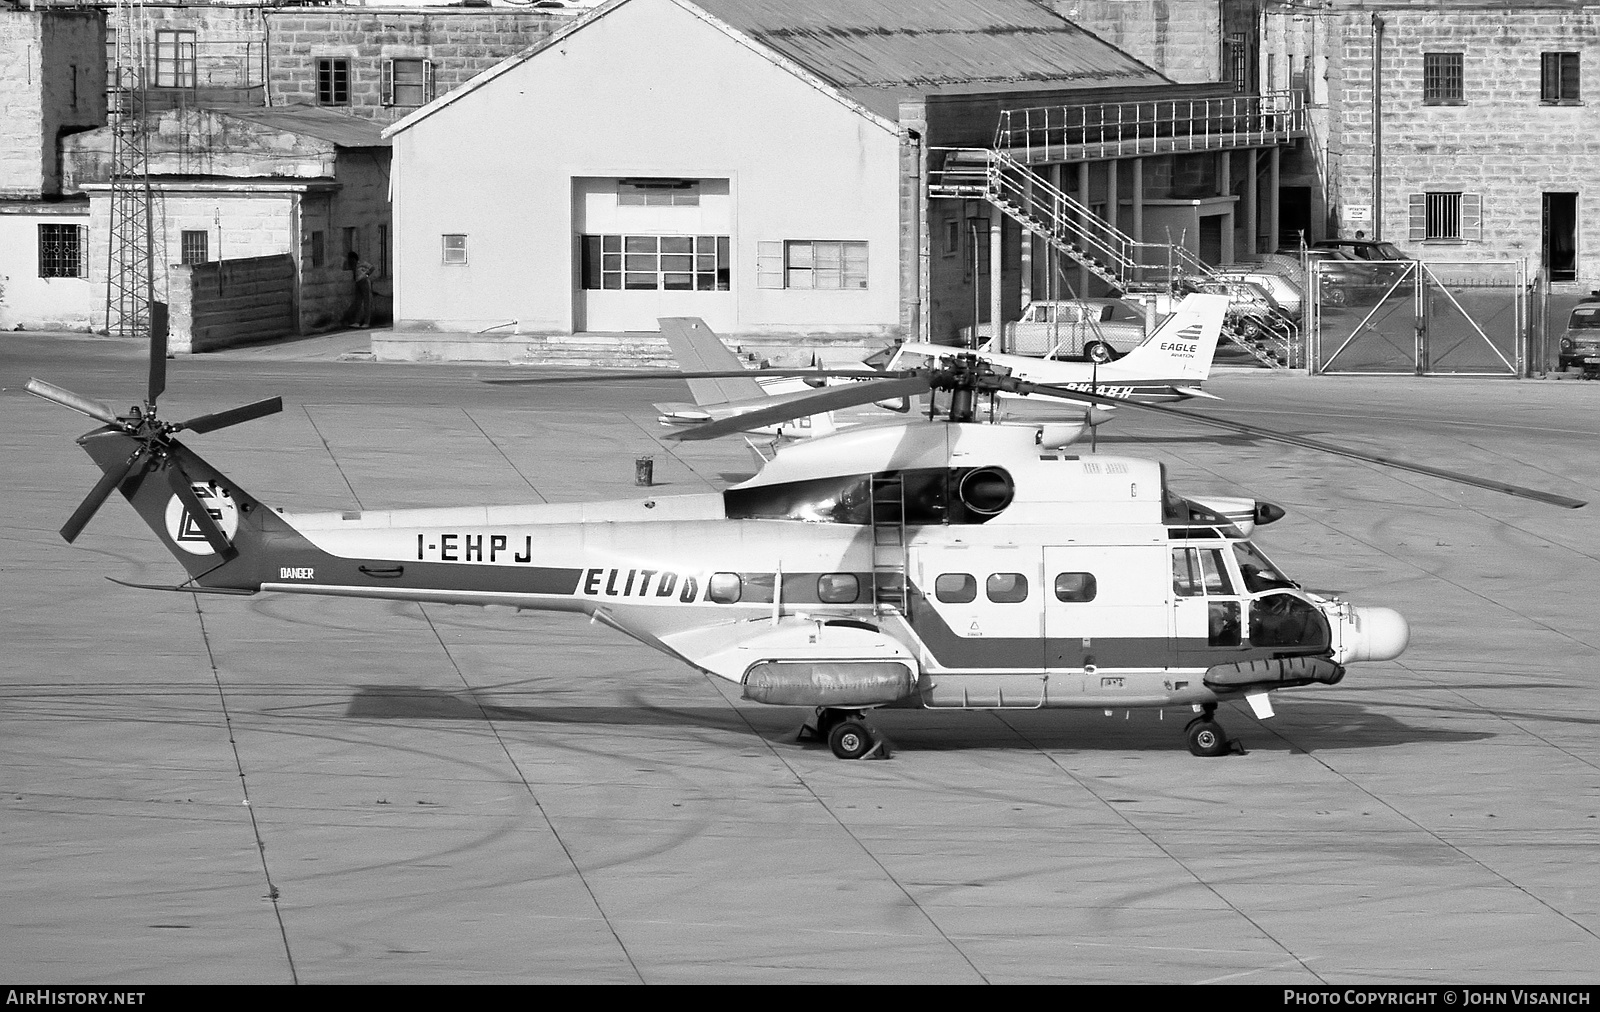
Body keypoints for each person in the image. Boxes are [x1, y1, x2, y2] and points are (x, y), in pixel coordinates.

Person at [345, 250, 373, 328]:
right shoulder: (352, 266)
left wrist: (366, 275)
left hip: (364, 281)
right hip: (357, 282)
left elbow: (372, 268)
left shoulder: (361, 263)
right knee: (358, 302)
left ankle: (367, 322)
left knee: (366, 302)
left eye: (351, 259)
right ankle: (357, 321)